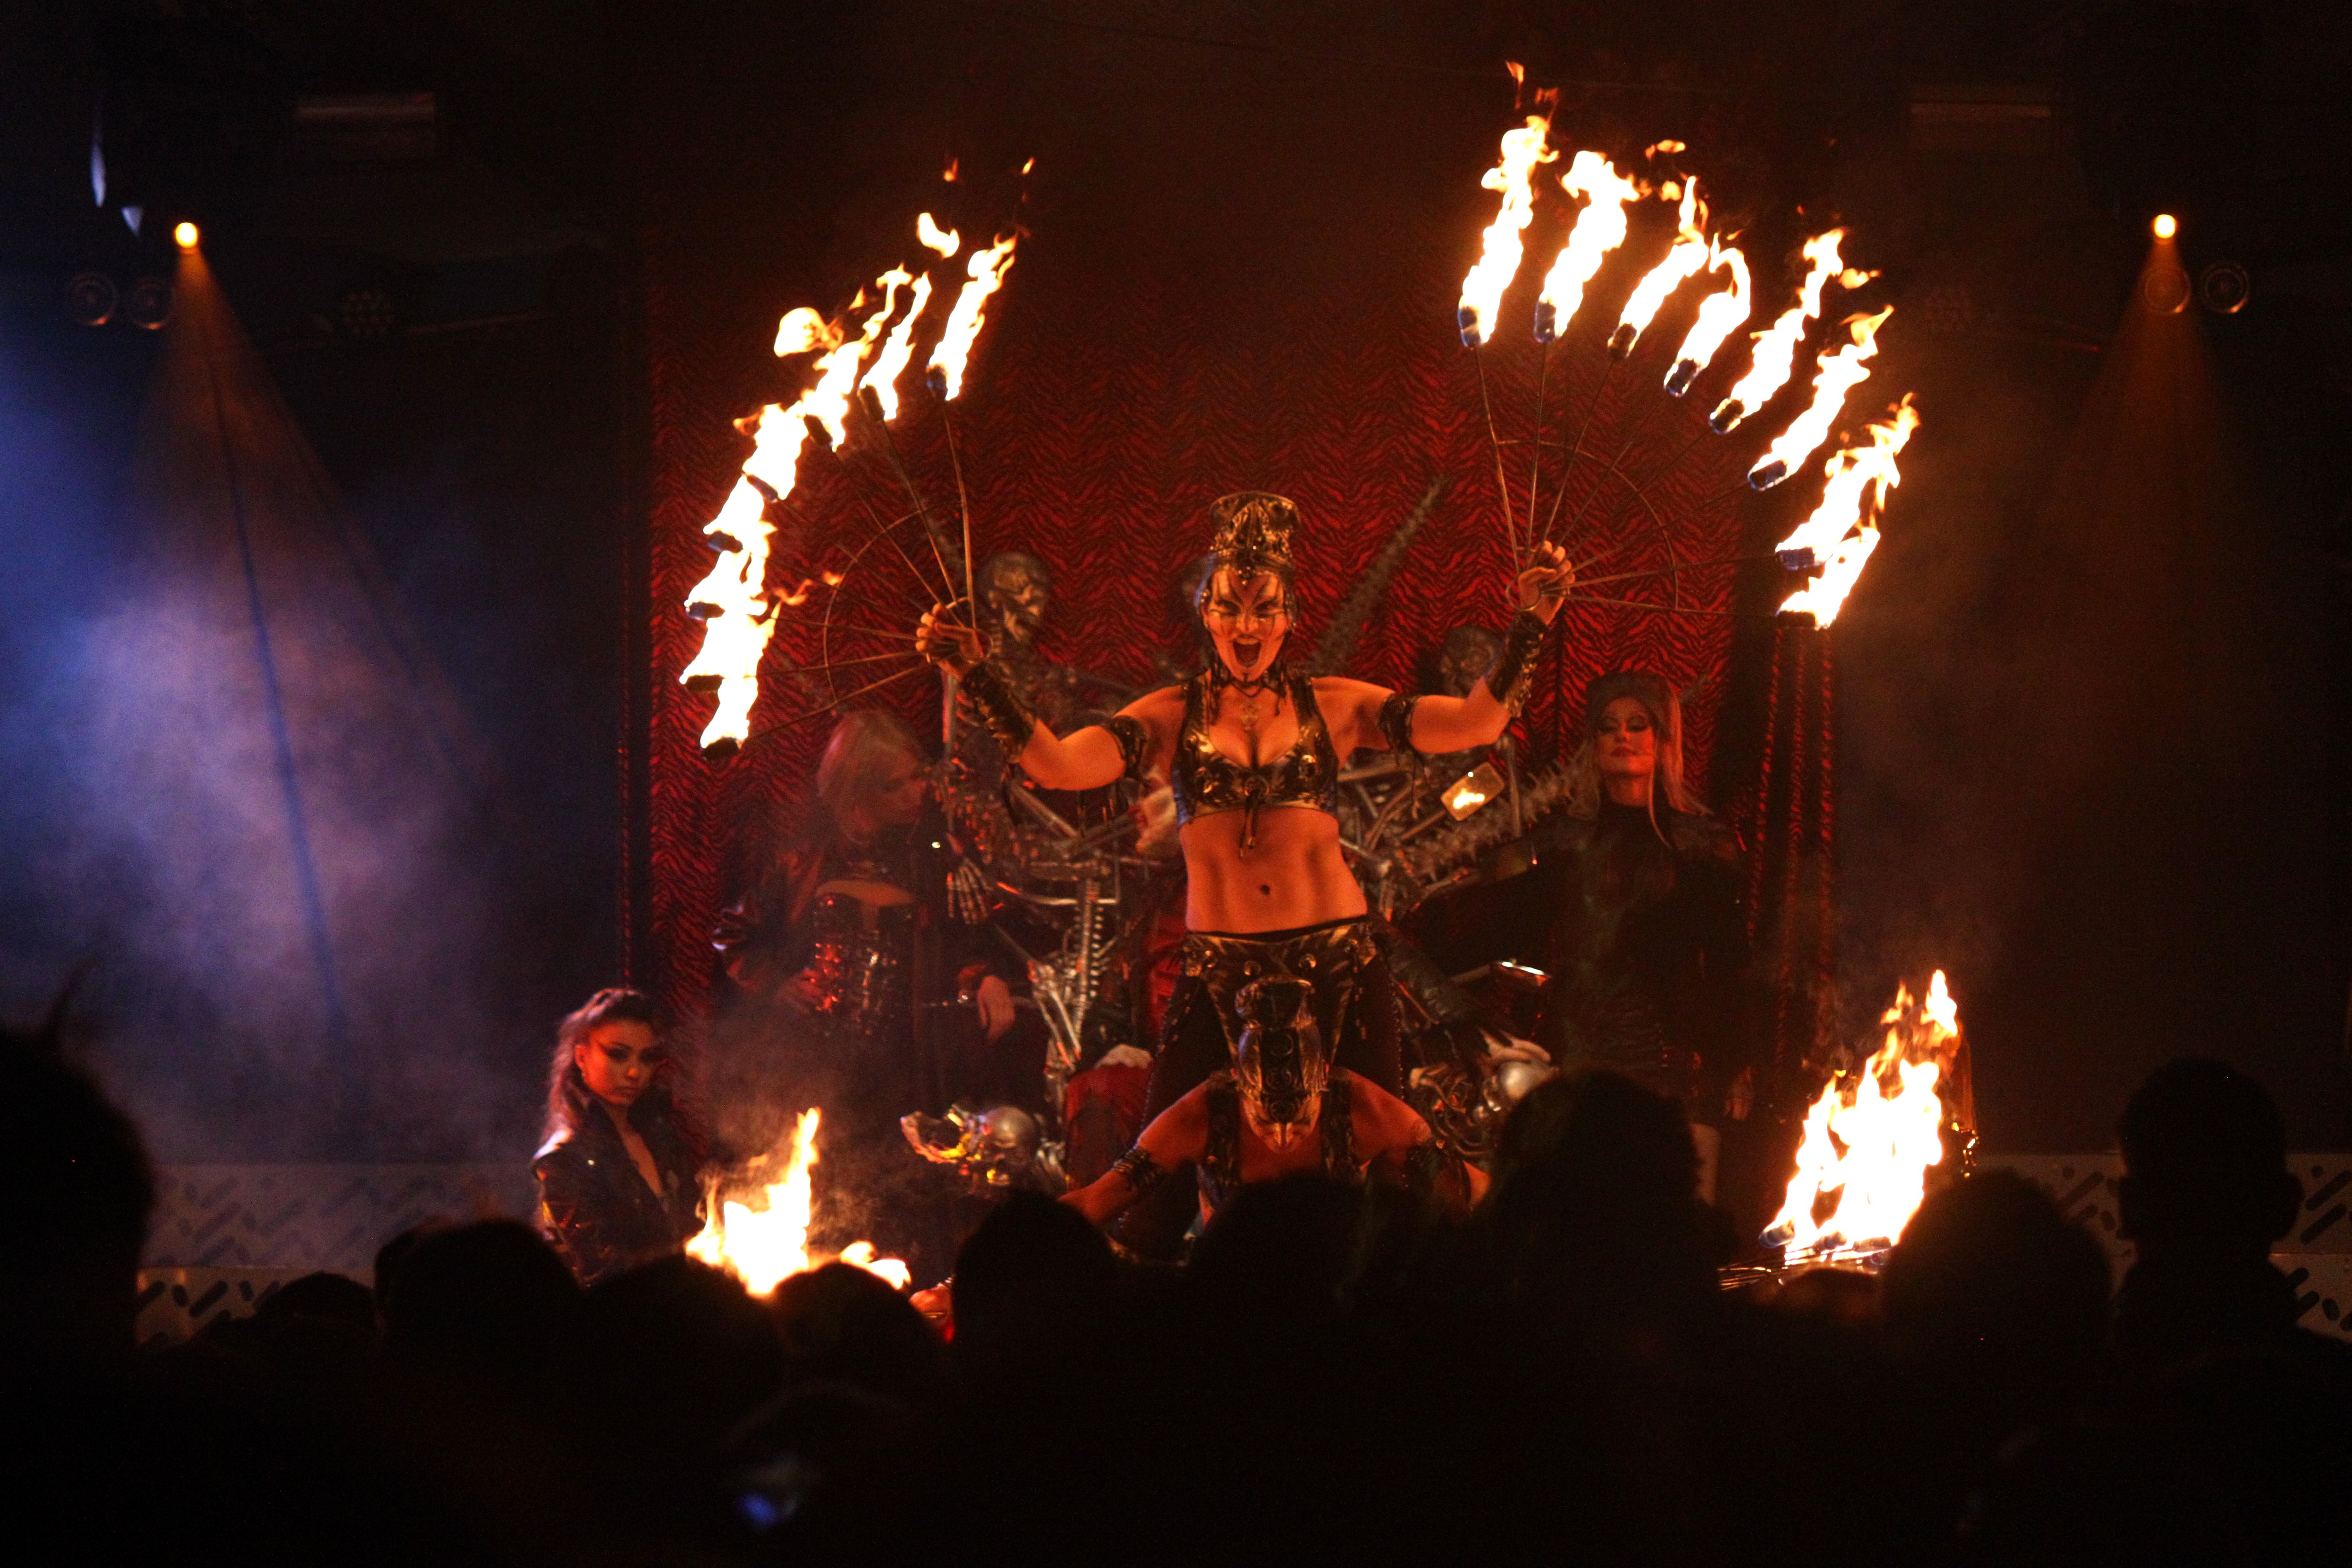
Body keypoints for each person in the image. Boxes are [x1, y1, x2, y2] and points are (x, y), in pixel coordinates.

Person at [921, 492, 1565, 1250]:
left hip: (1338, 961)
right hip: (1220, 965)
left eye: (1264, 608)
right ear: (1208, 614)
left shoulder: (1337, 706)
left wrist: (1532, 623)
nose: (1247, 627)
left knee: (1390, 1165)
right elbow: (1058, 767)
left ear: (1290, 616)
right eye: (1230, 607)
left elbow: (1475, 723)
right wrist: (976, 672)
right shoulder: (1168, 715)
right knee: (1154, 1192)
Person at [1468, 669, 1754, 1196]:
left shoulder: (1702, 844)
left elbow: (1731, 963)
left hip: (1675, 1057)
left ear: (1662, 739)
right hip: (1579, 1052)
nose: (1623, 736)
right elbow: (1506, 940)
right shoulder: (1561, 841)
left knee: (1677, 1213)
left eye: (1638, 724)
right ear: (1593, 744)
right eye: (1608, 726)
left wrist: (1734, 1061)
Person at [1061, 977, 1482, 1234]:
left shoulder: (1365, 1109)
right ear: (1240, 1086)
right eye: (1264, 1120)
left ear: (1322, 1084)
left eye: (1300, 1121)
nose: (1282, 1138)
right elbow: (1100, 1199)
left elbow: (1467, 1190)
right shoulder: (1203, 1113)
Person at [535, 988, 707, 1287]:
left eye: (647, 1058)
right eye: (617, 1054)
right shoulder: (564, 1159)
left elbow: (695, 1230)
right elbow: (603, 1270)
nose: (634, 1072)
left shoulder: (662, 1137)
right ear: (581, 1057)